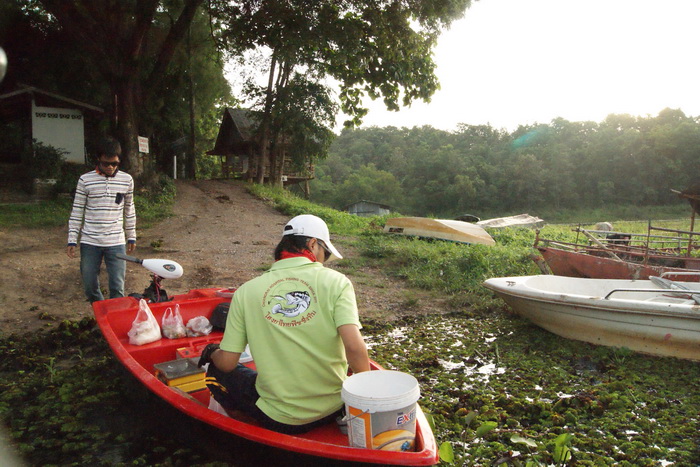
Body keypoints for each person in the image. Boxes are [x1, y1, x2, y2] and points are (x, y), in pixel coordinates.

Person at [199, 214, 370, 434]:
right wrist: (366, 397)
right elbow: (354, 348)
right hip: (335, 409)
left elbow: (228, 363)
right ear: (312, 244)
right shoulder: (337, 282)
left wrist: (212, 352)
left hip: (281, 420)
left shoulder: (246, 292)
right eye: (324, 254)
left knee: (216, 371)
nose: (323, 262)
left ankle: (247, 425)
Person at [66, 137, 136, 302]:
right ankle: (101, 311)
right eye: (106, 163)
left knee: (117, 289)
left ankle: (113, 320)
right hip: (90, 241)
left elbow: (129, 209)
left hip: (116, 242)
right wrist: (71, 239)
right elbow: (77, 210)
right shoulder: (85, 180)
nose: (110, 167)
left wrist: (131, 235)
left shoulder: (127, 180)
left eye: (115, 164)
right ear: (98, 160)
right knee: (90, 286)